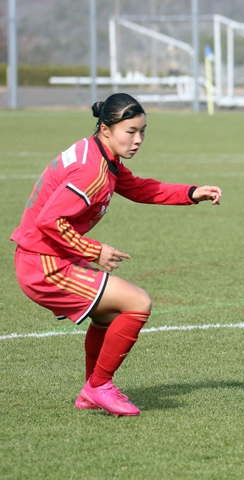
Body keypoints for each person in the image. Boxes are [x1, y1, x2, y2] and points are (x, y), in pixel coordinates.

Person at [10, 93, 222, 417]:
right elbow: (49, 220)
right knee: (138, 303)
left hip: (49, 255)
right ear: (106, 129)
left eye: (143, 131)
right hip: (43, 263)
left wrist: (191, 193)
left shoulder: (99, 153)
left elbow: (138, 189)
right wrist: (95, 250)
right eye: (130, 131)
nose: (138, 140)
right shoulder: (91, 170)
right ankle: (98, 386)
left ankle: (91, 389)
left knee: (108, 317)